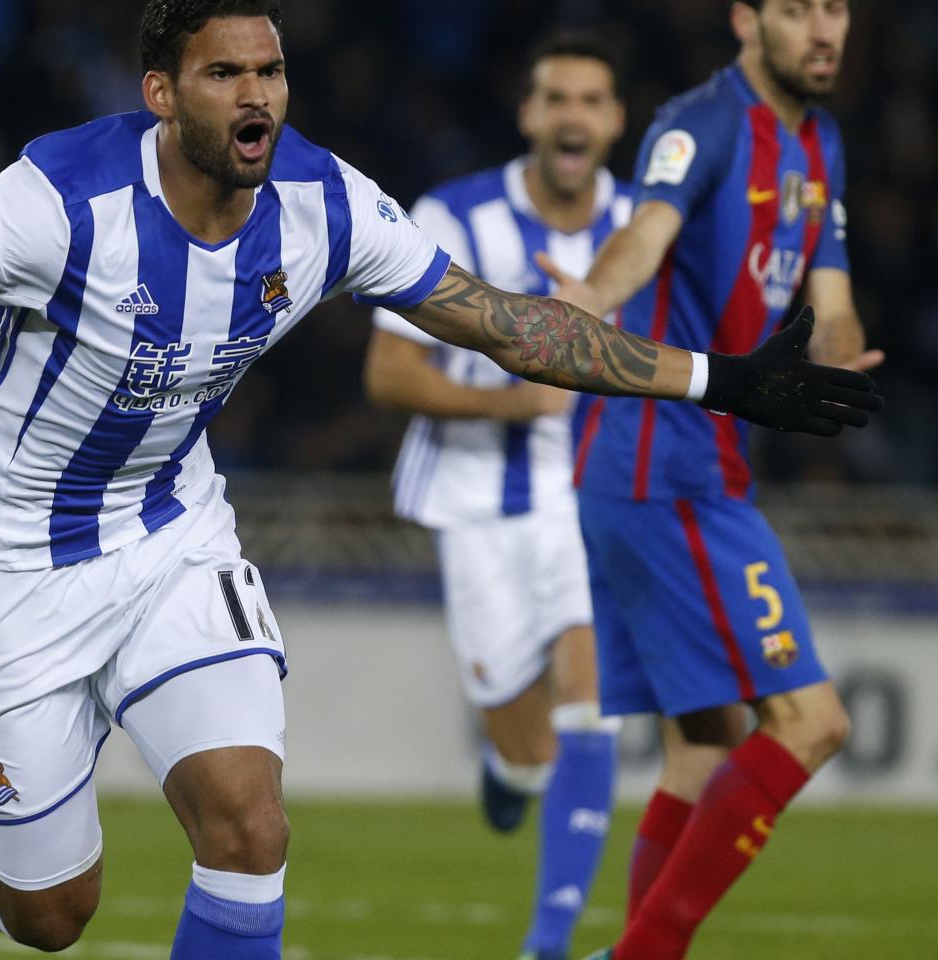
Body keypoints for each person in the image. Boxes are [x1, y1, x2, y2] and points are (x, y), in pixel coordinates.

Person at [0, 2, 879, 956]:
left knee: (248, 817)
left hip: (169, 537)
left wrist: (721, 377)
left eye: (270, 71)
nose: (257, 97)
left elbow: (508, 324)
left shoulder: (321, 202)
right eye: (224, 75)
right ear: (159, 91)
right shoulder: (55, 198)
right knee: (49, 914)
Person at [532, 3, 881, 958]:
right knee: (812, 720)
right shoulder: (704, 122)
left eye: (837, 8)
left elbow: (832, 298)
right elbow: (647, 231)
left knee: (702, 748)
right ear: (746, 19)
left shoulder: (823, 144)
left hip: (663, 469)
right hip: (662, 464)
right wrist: (590, 302)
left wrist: (842, 358)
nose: (825, 30)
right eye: (799, 9)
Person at [362, 34, 628, 960]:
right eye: (556, 97)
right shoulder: (455, 216)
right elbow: (389, 371)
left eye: (591, 100)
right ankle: (508, 769)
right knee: (526, 752)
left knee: (593, 704)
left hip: (591, 501)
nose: (572, 116)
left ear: (614, 122)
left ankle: (548, 944)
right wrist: (514, 395)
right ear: (528, 114)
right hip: (474, 502)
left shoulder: (642, 228)